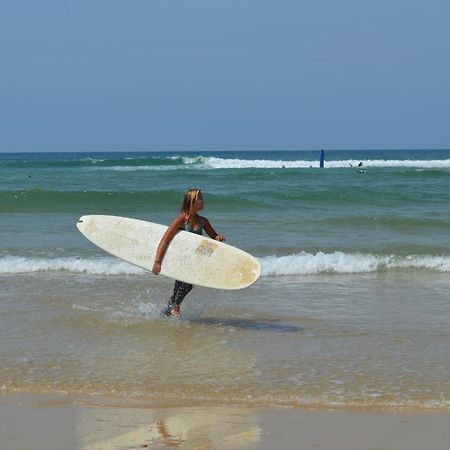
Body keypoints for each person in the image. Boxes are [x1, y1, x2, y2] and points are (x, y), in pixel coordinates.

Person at [152, 188, 225, 318]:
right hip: (182, 258)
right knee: (185, 283)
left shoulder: (203, 221)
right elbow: (165, 239)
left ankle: (167, 313)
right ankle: (175, 307)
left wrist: (218, 237)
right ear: (192, 201)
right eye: (200, 199)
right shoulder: (182, 219)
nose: (203, 201)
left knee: (182, 286)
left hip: (197, 258)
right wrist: (157, 261)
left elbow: (213, 236)